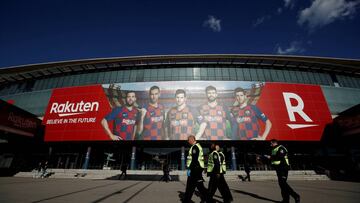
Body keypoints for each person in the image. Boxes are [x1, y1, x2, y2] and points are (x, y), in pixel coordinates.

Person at [183, 135, 211, 203]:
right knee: (199, 186)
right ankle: (208, 199)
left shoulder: (195, 147)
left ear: (192, 139)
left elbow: (194, 159)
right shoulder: (196, 146)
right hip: (197, 169)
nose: (188, 141)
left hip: (195, 169)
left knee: (190, 186)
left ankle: (187, 200)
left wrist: (190, 169)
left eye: (188, 140)